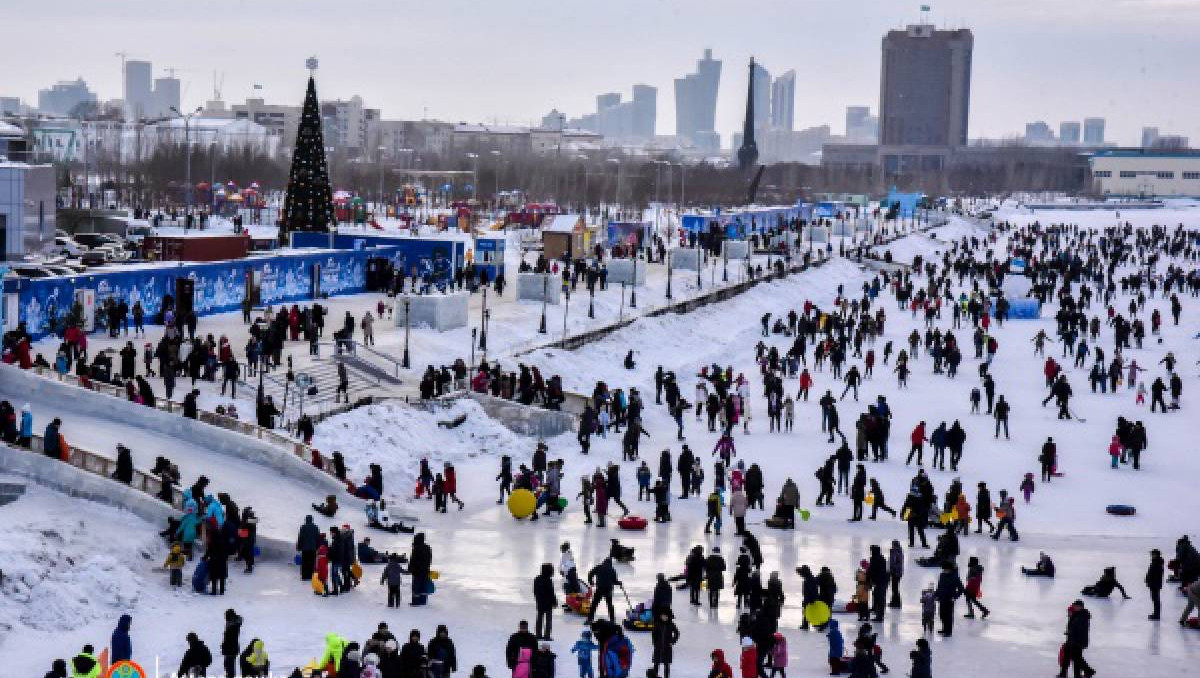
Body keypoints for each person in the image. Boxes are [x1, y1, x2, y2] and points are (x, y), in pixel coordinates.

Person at [1058, 601, 1094, 678]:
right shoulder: (1076, 615)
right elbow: (1073, 628)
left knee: (1077, 659)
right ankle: (1064, 674)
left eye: (1076, 606)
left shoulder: (1082, 616)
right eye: (1074, 606)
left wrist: (1071, 635)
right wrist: (1069, 633)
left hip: (1078, 642)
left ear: (1081, 607)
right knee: (1068, 657)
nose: (1075, 607)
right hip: (1072, 640)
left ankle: (1086, 672)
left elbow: (1080, 630)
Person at [586, 557, 619, 623]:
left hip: (600, 589)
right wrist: (619, 583)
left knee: (594, 604)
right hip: (608, 590)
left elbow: (590, 573)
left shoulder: (599, 567)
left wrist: (591, 582)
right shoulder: (612, 570)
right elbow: (614, 581)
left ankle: (589, 619)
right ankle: (612, 620)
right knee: (610, 605)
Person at [935, 562, 964, 636]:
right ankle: (944, 628)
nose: (944, 571)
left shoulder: (955, 577)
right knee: (941, 614)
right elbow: (939, 586)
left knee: (948, 616)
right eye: (943, 569)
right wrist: (936, 595)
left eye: (945, 569)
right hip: (942, 598)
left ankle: (948, 631)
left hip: (949, 599)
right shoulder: (942, 575)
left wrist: (955, 597)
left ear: (950, 569)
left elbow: (961, 589)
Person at [650, 611, 679, 678]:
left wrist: (672, 641)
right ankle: (654, 676)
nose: (664, 617)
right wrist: (655, 643)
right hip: (658, 647)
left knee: (666, 665)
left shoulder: (671, 624)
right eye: (663, 616)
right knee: (656, 664)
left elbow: (677, 633)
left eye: (665, 616)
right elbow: (654, 634)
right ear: (661, 616)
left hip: (667, 648)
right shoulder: (657, 624)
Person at [534, 563, 558, 641]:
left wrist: (537, 599)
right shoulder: (549, 580)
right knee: (548, 620)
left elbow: (535, 591)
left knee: (539, 619)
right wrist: (554, 602)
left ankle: (538, 635)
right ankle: (547, 636)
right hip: (548, 604)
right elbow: (551, 592)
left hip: (540, 602)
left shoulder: (537, 579)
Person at [221, 609, 243, 678]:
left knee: (229, 667)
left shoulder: (233, 626)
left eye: (227, 617)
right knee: (228, 666)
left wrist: (224, 646)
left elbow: (229, 639)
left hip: (231, 649)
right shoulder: (232, 624)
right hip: (231, 649)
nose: (226, 619)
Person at [1146, 549, 1165, 620]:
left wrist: (1149, 580)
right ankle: (1156, 614)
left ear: (1156, 555)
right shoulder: (1156, 562)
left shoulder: (1157, 563)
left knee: (1156, 599)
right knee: (1155, 599)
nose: (1151, 555)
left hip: (1155, 584)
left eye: (1152, 554)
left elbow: (1154, 574)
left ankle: (1156, 615)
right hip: (1155, 583)